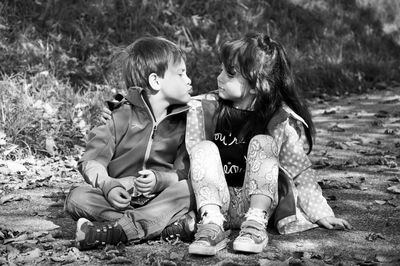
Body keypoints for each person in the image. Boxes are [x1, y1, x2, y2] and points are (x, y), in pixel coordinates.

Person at [184, 32, 352, 256]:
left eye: (230, 73)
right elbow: (192, 160)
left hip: (257, 204)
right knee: (202, 148)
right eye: (222, 69)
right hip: (213, 202)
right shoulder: (205, 109)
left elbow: (299, 169)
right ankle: (212, 228)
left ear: (256, 85)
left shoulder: (277, 119)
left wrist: (321, 213)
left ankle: (254, 228)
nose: (220, 77)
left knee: (264, 142)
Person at [64, 36, 196, 251]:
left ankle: (117, 231)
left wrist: (160, 180)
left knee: (189, 189)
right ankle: (162, 228)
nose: (189, 80)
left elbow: (184, 172)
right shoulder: (118, 115)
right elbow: (92, 160)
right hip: (121, 197)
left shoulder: (187, 121)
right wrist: (109, 186)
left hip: (161, 198)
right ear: (155, 81)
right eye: (181, 74)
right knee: (76, 197)